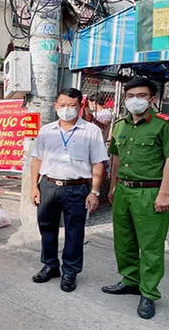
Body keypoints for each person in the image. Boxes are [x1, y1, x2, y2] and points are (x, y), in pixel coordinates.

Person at [102, 77, 169, 320]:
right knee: (124, 239)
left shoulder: (163, 125)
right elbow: (115, 158)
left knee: (151, 245)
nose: (135, 100)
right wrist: (112, 187)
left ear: (152, 99)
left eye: (141, 96)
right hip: (123, 191)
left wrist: (165, 193)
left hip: (151, 192)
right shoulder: (120, 125)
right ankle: (130, 280)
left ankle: (149, 293)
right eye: (130, 96)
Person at [30, 88, 108, 293]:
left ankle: (70, 272)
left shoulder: (91, 131)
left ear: (80, 107)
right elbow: (37, 159)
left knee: (74, 232)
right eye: (62, 105)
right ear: (55, 106)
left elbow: (98, 163)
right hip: (48, 185)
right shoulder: (46, 131)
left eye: (72, 106)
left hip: (77, 188)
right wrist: (33, 188)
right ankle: (50, 265)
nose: (66, 110)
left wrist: (95, 191)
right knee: (47, 227)